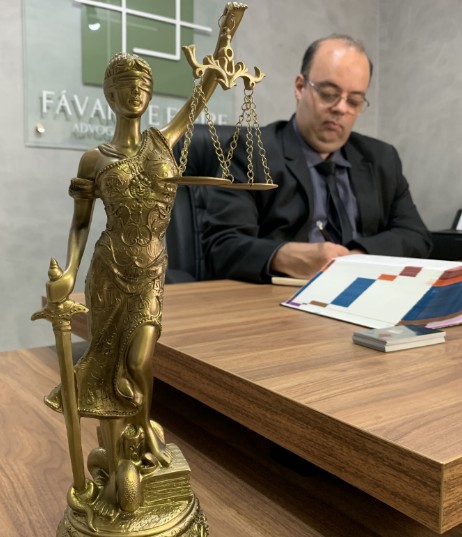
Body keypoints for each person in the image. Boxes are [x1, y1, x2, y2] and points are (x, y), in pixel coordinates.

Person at [42, 2, 246, 521]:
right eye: (125, 87)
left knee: (139, 360)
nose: (136, 93)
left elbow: (200, 98)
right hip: (110, 270)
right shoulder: (95, 159)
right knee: (109, 365)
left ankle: (140, 431)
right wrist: (70, 272)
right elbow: (82, 223)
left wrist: (224, 40)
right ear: (110, 96)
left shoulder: (163, 141)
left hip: (151, 268)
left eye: (143, 87)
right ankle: (119, 449)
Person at [201, 34, 433, 283]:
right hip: (280, 297)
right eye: (328, 94)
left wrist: (357, 258)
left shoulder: (381, 158)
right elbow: (222, 247)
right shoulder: (252, 151)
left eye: (354, 101)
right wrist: (284, 256)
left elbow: (416, 237)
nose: (341, 108)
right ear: (300, 87)